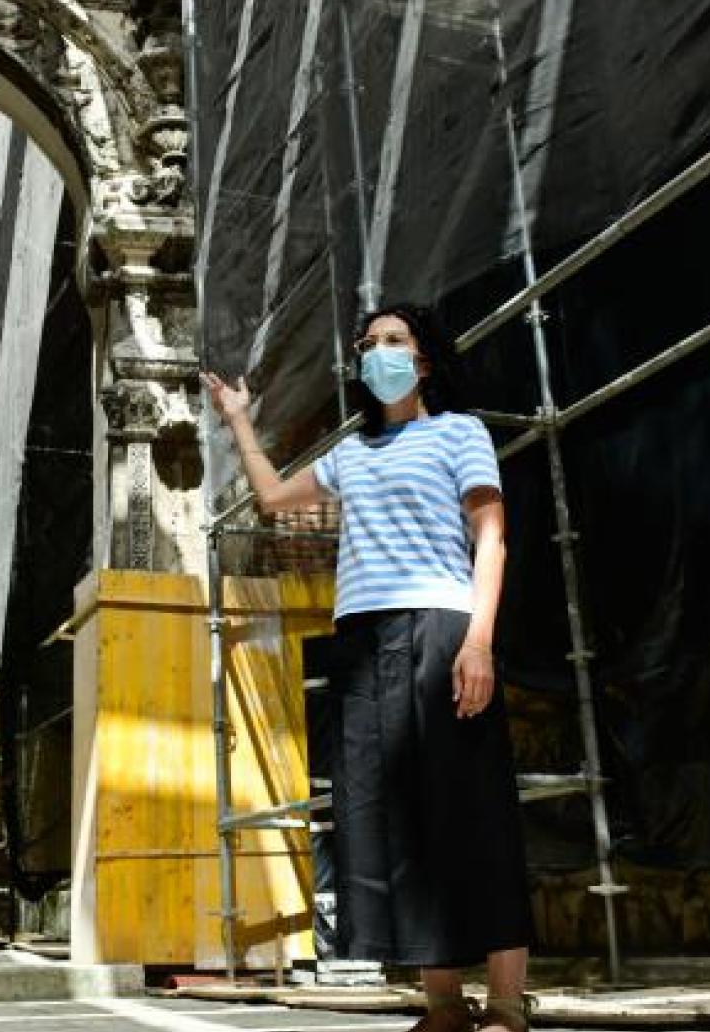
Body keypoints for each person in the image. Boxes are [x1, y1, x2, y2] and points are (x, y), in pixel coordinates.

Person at [202, 303, 533, 1032]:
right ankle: (442, 1001)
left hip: (441, 627)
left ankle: (507, 1002)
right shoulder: (350, 454)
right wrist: (239, 420)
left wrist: (478, 642)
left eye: (394, 341)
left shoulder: (458, 432)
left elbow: (492, 539)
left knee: (470, 809)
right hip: (360, 637)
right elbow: (272, 499)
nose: (377, 353)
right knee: (391, 821)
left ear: (422, 361)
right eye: (367, 344)